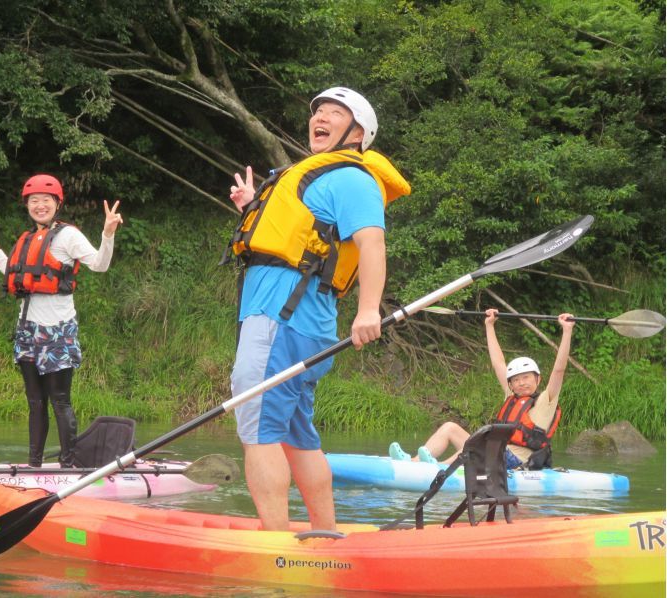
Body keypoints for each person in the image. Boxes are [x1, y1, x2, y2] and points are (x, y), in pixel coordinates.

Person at [226, 87, 411, 531]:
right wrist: (253, 207)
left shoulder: (352, 177)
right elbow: (305, 241)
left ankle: (275, 545)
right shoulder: (321, 177)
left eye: (334, 112)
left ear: (359, 132)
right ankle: (324, 535)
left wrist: (369, 310)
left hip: (281, 320)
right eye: (318, 112)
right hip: (295, 324)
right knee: (296, 437)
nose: (320, 118)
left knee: (258, 431)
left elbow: (372, 243)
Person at [0, 174, 123, 467]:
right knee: (34, 403)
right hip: (27, 329)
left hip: (58, 330)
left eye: (46, 200)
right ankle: (34, 465)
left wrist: (108, 233)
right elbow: (14, 272)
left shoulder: (68, 235)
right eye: (34, 201)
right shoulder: (27, 238)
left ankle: (68, 465)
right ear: (27, 205)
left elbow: (100, 264)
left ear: (57, 203)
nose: (39, 205)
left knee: (60, 400)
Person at [390, 308, 575, 469]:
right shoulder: (512, 395)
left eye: (526, 378)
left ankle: (440, 468)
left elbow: (559, 369)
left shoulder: (546, 400)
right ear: (511, 384)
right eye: (516, 380)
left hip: (516, 461)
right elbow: (498, 362)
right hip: (495, 453)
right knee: (449, 427)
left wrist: (567, 332)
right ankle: (413, 463)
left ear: (538, 379)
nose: (521, 383)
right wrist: (489, 325)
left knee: (481, 443)